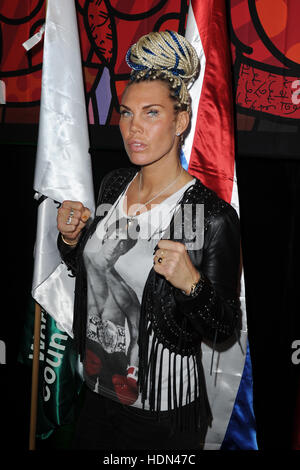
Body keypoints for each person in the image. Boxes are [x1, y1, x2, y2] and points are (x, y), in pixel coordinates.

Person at [57, 30, 240, 450]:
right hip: (98, 391)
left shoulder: (201, 214)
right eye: (125, 113)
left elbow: (223, 329)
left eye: (151, 113)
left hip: (161, 414)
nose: (133, 128)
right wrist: (71, 243)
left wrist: (192, 285)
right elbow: (92, 270)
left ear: (180, 121)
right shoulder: (114, 186)